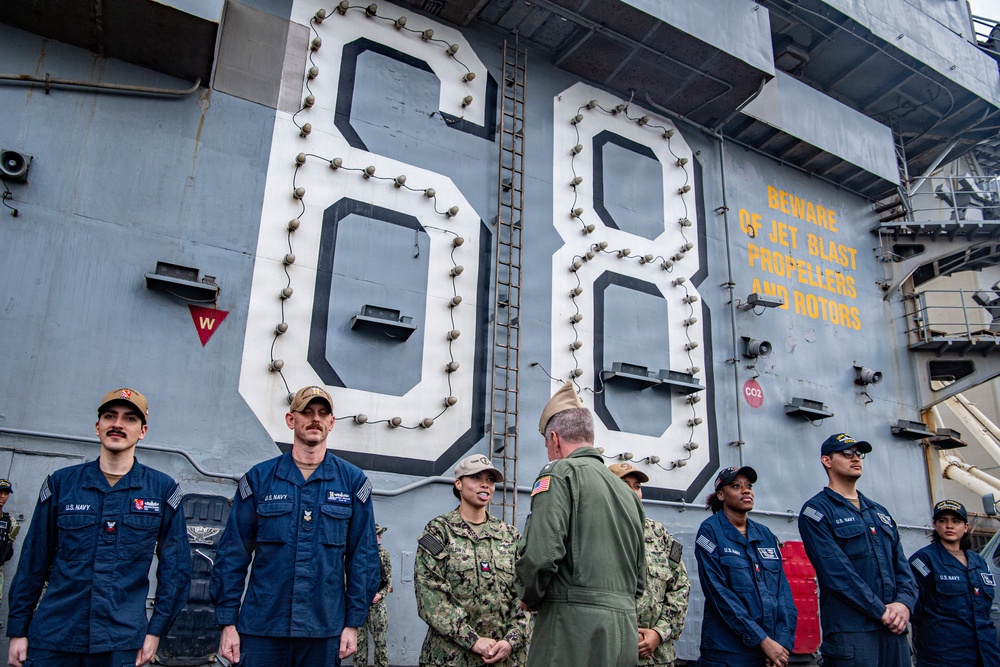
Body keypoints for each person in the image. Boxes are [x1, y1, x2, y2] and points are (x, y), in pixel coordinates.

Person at [6, 388, 191, 667]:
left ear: (142, 431)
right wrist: (18, 629)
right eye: (109, 416)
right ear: (97, 426)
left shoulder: (162, 490)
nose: (117, 424)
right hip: (55, 636)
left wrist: (156, 631)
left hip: (121, 642)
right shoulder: (61, 484)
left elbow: (175, 570)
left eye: (129, 418)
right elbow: (34, 559)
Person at [210, 385, 380, 667]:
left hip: (324, 628)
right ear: (292, 420)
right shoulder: (259, 479)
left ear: (331, 423)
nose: (315, 419)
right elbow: (233, 554)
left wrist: (353, 623)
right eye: (307, 412)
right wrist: (227, 622)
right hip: (262, 626)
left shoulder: (352, 483)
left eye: (323, 414)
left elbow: (363, 557)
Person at [515, 382, 646, 667]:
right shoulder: (628, 493)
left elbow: (541, 556)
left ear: (555, 438)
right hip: (623, 635)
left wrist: (528, 594)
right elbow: (639, 582)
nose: (549, 452)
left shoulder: (559, 473)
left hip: (570, 633)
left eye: (547, 445)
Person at [798, 433, 917, 667]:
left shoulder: (879, 512)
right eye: (846, 453)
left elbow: (902, 568)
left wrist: (903, 605)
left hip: (893, 630)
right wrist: (880, 611)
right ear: (827, 461)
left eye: (858, 454)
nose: (856, 459)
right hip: (852, 632)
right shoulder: (816, 512)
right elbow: (837, 573)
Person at [414, 455, 529, 666]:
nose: (485, 484)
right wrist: (473, 640)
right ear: (458, 483)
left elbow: (525, 593)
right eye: (476, 477)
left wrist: (512, 640)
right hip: (451, 657)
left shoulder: (510, 535)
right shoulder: (439, 531)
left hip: (505, 658)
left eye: (490, 480)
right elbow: (430, 596)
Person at [695, 466, 797, 667]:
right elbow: (719, 593)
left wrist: (781, 645)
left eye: (749, 486)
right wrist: (762, 640)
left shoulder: (765, 535)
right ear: (721, 494)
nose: (746, 490)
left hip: (770, 654)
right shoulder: (710, 532)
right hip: (728, 653)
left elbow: (783, 593)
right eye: (736, 486)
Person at [608, 463, 690, 667]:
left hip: (656, 656)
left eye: (636, 486)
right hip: (609, 653)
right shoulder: (595, 530)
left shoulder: (658, 533)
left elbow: (680, 586)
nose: (633, 491)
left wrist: (659, 633)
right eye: (624, 484)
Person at [908, 500, 1000, 667]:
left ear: (965, 527)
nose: (949, 526)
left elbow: (984, 609)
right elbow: (915, 610)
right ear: (935, 525)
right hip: (944, 656)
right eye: (943, 521)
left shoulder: (979, 562)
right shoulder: (923, 561)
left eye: (956, 521)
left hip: (985, 653)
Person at [357, 523, 392, 667]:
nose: (380, 536)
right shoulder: (359, 553)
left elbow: (389, 580)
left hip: (378, 604)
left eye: (380, 534)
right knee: (359, 642)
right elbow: (350, 579)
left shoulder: (384, 554)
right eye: (378, 534)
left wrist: (380, 595)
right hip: (360, 604)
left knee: (380, 641)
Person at [0, 479, 20, 602]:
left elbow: (7, 551)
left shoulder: (11, 523)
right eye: (0, 492)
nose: (2, 496)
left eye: (6, 493)